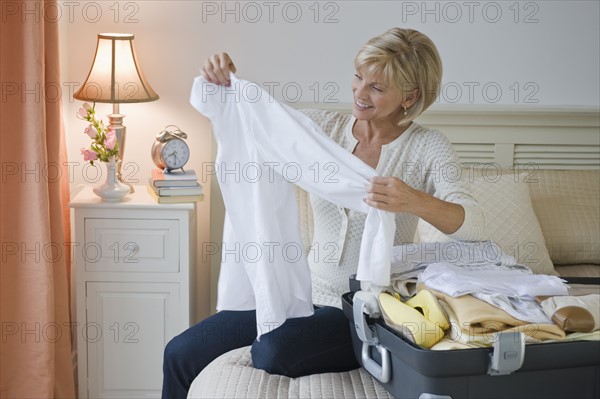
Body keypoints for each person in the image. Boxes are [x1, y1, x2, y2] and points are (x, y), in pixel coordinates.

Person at [162, 27, 484, 399]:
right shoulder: (325, 130)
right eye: (358, 77)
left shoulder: (428, 147)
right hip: (299, 294)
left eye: (377, 88)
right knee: (180, 354)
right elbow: (260, 122)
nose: (360, 93)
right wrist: (226, 83)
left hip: (364, 309)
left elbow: (474, 224)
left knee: (273, 350)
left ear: (409, 96)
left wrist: (413, 200)